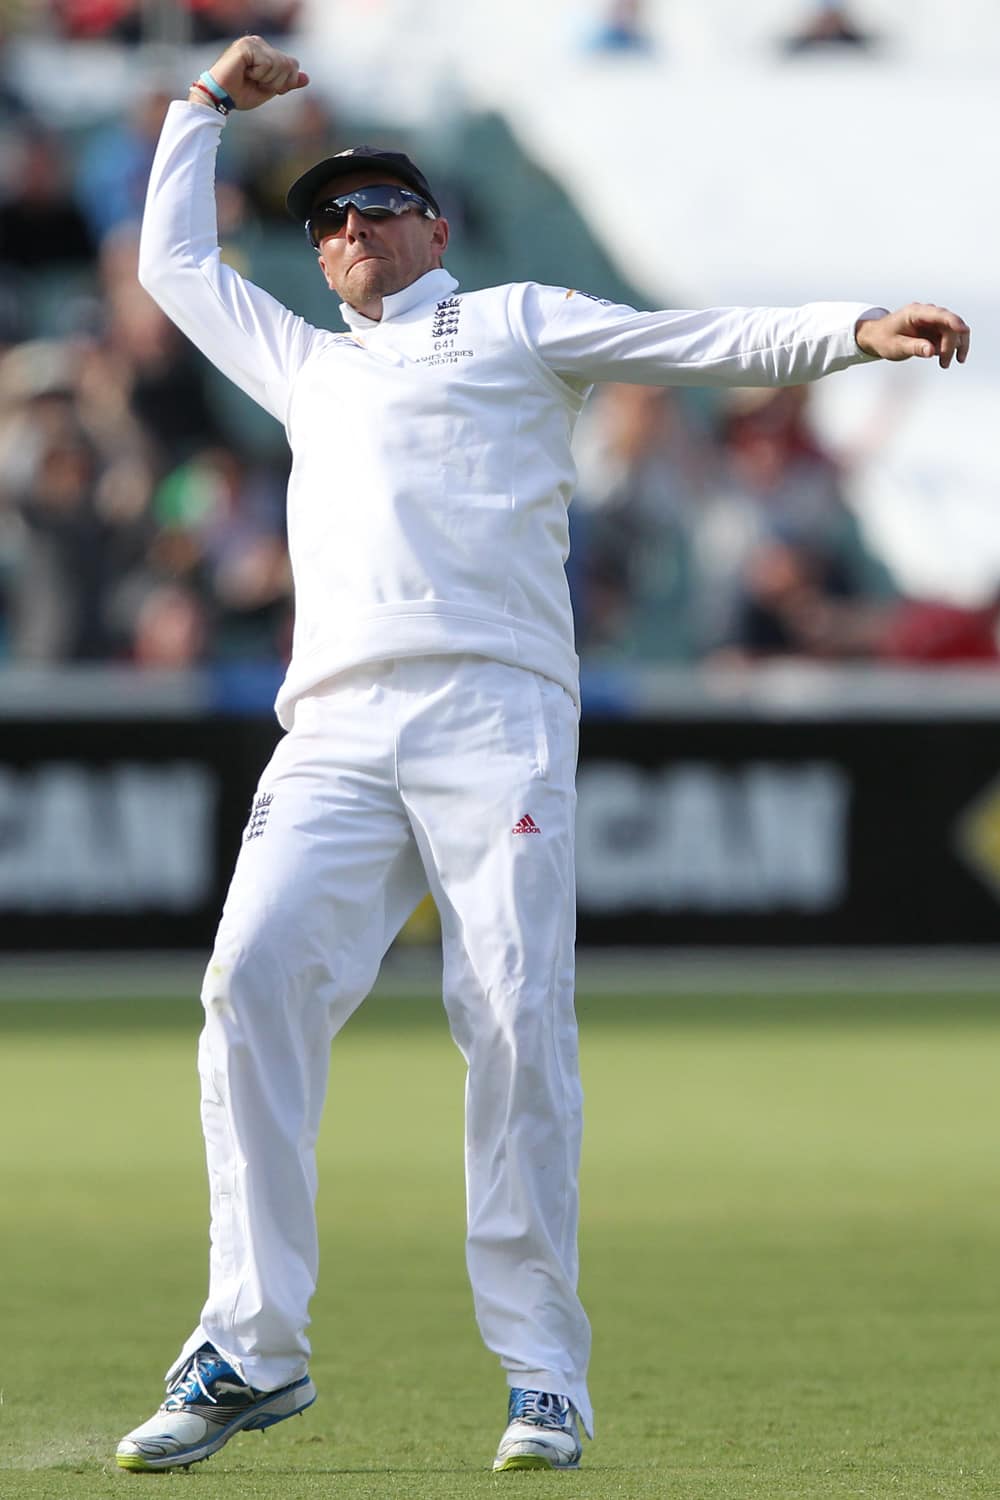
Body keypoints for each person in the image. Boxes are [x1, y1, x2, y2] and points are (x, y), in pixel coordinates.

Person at [116, 32, 971, 1477]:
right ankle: (252, 1349)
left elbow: (686, 341)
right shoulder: (305, 364)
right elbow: (174, 272)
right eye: (326, 218)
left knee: (513, 1022)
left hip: (494, 714)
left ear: (436, 228)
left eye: (377, 204)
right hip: (329, 726)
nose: (347, 229)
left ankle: (542, 1375)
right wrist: (200, 106)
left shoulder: (510, 319)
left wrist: (850, 326)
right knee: (250, 980)